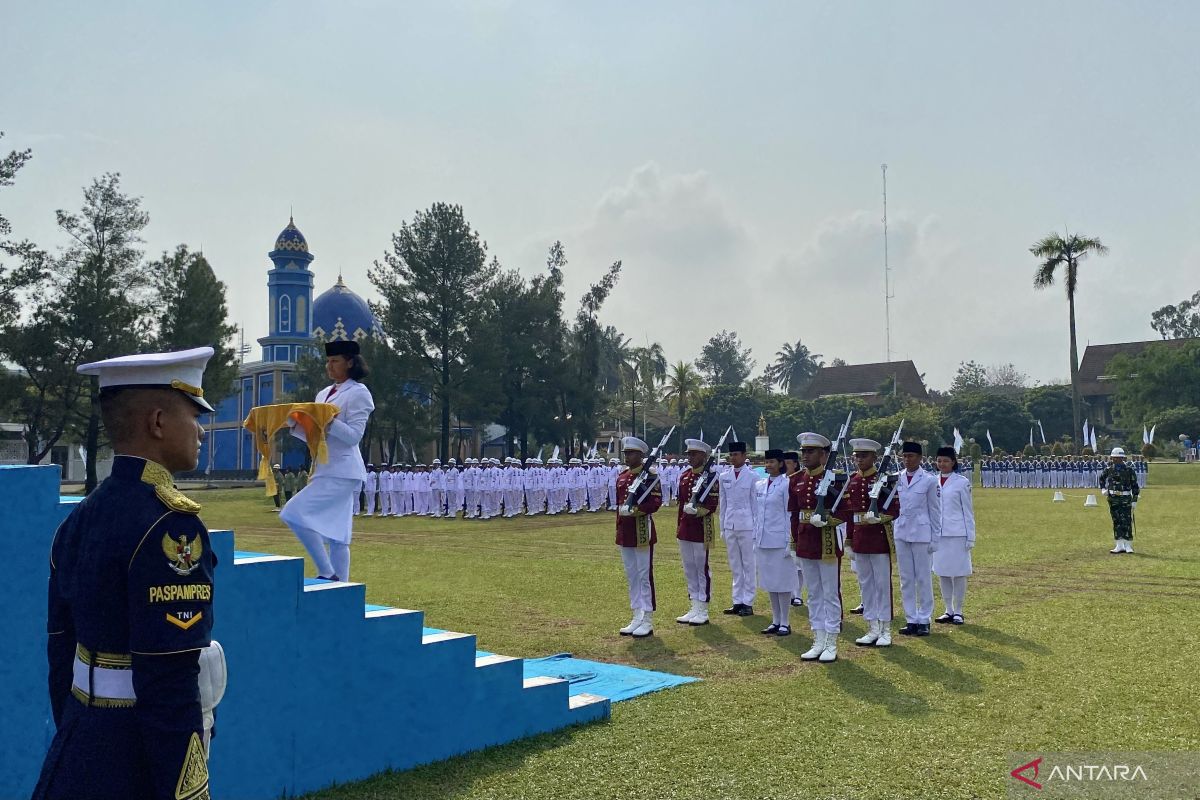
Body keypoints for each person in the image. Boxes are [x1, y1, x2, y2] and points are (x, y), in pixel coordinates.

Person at [34, 347, 223, 800]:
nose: (200, 430)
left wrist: (79, 730)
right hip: (136, 757)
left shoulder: (81, 517)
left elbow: (61, 649)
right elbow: (168, 679)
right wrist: (188, 792)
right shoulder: (170, 527)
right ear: (158, 422)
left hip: (78, 742)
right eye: (193, 414)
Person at [281, 340, 375, 581]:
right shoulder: (323, 394)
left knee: (292, 512)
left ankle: (326, 571)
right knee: (338, 537)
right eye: (327, 361)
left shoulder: (358, 392)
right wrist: (295, 424)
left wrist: (328, 421)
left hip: (342, 469)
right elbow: (317, 437)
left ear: (350, 363)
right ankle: (340, 586)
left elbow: (354, 436)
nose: (329, 366)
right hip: (325, 467)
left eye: (335, 361)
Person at [833, 439, 901, 648]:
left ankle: (885, 629)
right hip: (860, 539)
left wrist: (879, 518)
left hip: (878, 538)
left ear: (874, 457)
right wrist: (849, 541)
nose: (859, 460)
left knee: (882, 585)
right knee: (866, 585)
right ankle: (872, 627)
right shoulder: (852, 481)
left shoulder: (884, 480)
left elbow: (895, 509)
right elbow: (850, 514)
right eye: (857, 456)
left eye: (864, 456)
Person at [790, 433, 845, 662]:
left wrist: (828, 520)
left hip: (827, 540)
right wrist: (794, 542)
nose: (805, 456)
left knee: (830, 593)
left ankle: (831, 641)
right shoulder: (795, 480)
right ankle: (818, 638)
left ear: (823, 455)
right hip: (806, 540)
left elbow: (845, 510)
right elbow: (794, 514)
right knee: (813, 594)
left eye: (810, 451)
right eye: (803, 451)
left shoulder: (834, 479)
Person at [892, 441, 942, 638]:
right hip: (901, 531)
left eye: (911, 456)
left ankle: (924, 619)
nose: (907, 460)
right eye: (904, 456)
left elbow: (935, 510)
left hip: (922, 533)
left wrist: (935, 537)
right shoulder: (896, 478)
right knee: (906, 579)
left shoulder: (929, 480)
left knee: (923, 578)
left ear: (920, 458)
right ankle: (911, 618)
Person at [615, 437, 663, 638]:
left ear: (641, 455)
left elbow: (655, 503)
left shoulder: (650, 477)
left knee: (644, 575)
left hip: (642, 530)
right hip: (625, 531)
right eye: (626, 453)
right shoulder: (623, 476)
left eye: (631, 453)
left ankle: (648, 618)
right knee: (632, 575)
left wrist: (635, 510)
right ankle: (636, 615)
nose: (627, 457)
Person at [675, 439, 720, 626]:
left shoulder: (711, 477)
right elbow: (681, 503)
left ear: (704, 456)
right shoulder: (685, 476)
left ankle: (703, 607)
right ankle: (694, 604)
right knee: (689, 568)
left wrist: (697, 510)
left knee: (701, 568)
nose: (690, 457)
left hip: (701, 527)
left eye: (694, 454)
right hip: (685, 527)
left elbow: (712, 504)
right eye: (689, 454)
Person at [754, 449, 797, 635]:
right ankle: (775, 620)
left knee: (783, 582)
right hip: (763, 538)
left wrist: (790, 540)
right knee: (770, 581)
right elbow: (757, 513)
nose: (768, 465)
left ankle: (785, 622)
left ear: (781, 464)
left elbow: (789, 514)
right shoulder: (760, 484)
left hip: (780, 539)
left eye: (772, 461)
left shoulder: (786, 484)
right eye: (767, 461)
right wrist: (755, 536)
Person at [933, 447, 975, 624]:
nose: (942, 464)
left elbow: (968, 510)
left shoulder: (961, 482)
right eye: (939, 460)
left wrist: (970, 536)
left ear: (953, 462)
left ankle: (958, 610)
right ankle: (948, 610)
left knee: (958, 573)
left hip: (957, 533)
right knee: (942, 573)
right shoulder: (931, 481)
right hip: (938, 534)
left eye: (946, 461)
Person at [719, 441, 759, 617]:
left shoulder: (752, 477)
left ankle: (748, 602)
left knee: (749, 564)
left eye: (736, 454)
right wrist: (722, 526)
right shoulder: (724, 476)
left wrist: (756, 528)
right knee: (735, 564)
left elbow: (755, 505)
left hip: (747, 524)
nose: (733, 458)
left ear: (744, 456)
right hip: (730, 524)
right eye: (731, 454)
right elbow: (723, 503)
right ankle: (737, 600)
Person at [1099, 447, 1140, 553]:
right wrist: (1103, 489)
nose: (1116, 459)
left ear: (1123, 458)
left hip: (1125, 498)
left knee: (1126, 521)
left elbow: (1135, 486)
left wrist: (1134, 500)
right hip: (1113, 498)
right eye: (1114, 458)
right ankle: (1119, 544)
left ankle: (1128, 545)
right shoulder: (1109, 469)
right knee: (1116, 521)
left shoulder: (1129, 470)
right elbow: (1101, 478)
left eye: (1118, 458)